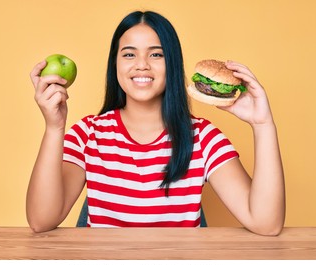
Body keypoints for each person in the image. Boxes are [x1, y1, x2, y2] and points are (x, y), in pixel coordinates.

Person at [27, 11, 285, 234]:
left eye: (156, 55)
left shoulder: (203, 138)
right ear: (114, 64)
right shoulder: (88, 134)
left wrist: (262, 125)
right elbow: (41, 220)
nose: (142, 65)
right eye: (129, 55)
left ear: (172, 64)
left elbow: (266, 224)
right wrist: (54, 127)